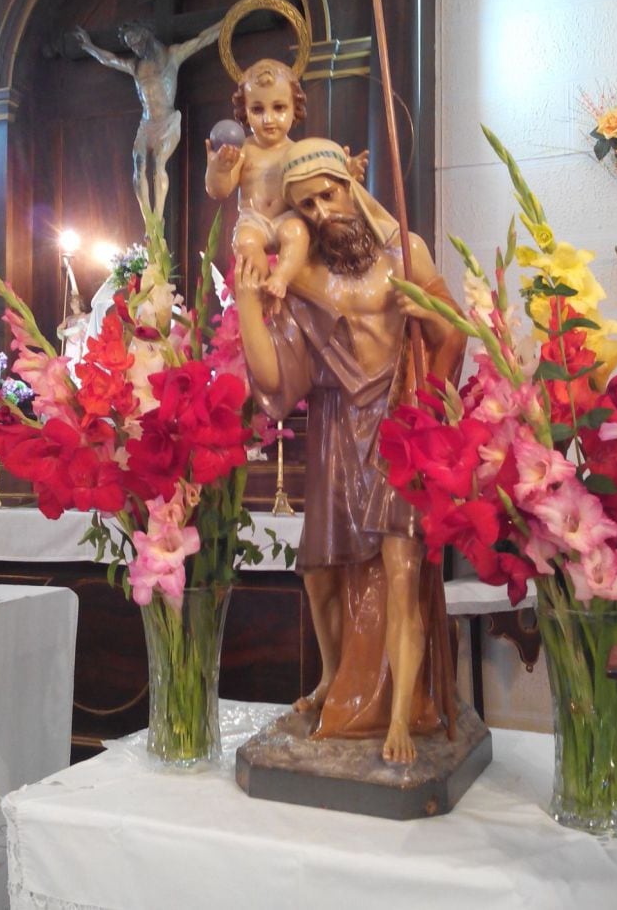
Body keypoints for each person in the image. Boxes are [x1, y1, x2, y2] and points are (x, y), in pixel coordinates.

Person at [234, 138, 466, 763]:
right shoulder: (304, 273)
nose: (323, 210)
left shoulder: (405, 251)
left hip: (395, 421)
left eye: (329, 193)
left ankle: (401, 708)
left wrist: (427, 373)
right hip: (336, 427)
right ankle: (335, 678)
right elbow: (276, 381)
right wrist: (249, 294)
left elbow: (452, 335)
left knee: (400, 574)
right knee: (319, 572)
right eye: (307, 204)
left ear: (352, 186)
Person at [205, 59, 368, 299]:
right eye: (258, 109)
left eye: (279, 108)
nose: (268, 119)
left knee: (297, 233)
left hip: (286, 217)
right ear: (245, 112)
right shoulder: (243, 151)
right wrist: (218, 169)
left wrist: (347, 171)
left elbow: (326, 179)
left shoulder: (299, 152)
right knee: (245, 242)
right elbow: (219, 191)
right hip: (254, 218)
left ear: (295, 108)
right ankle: (260, 295)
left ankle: (281, 278)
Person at [74, 19, 221, 221]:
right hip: (147, 123)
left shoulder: (173, 55)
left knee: (159, 163)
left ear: (146, 35)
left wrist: (231, 18)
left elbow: (203, 39)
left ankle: (157, 219)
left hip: (168, 121)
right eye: (130, 45)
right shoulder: (135, 66)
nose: (134, 48)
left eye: (136, 41)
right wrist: (89, 46)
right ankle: (148, 220)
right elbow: (109, 59)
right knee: (138, 162)